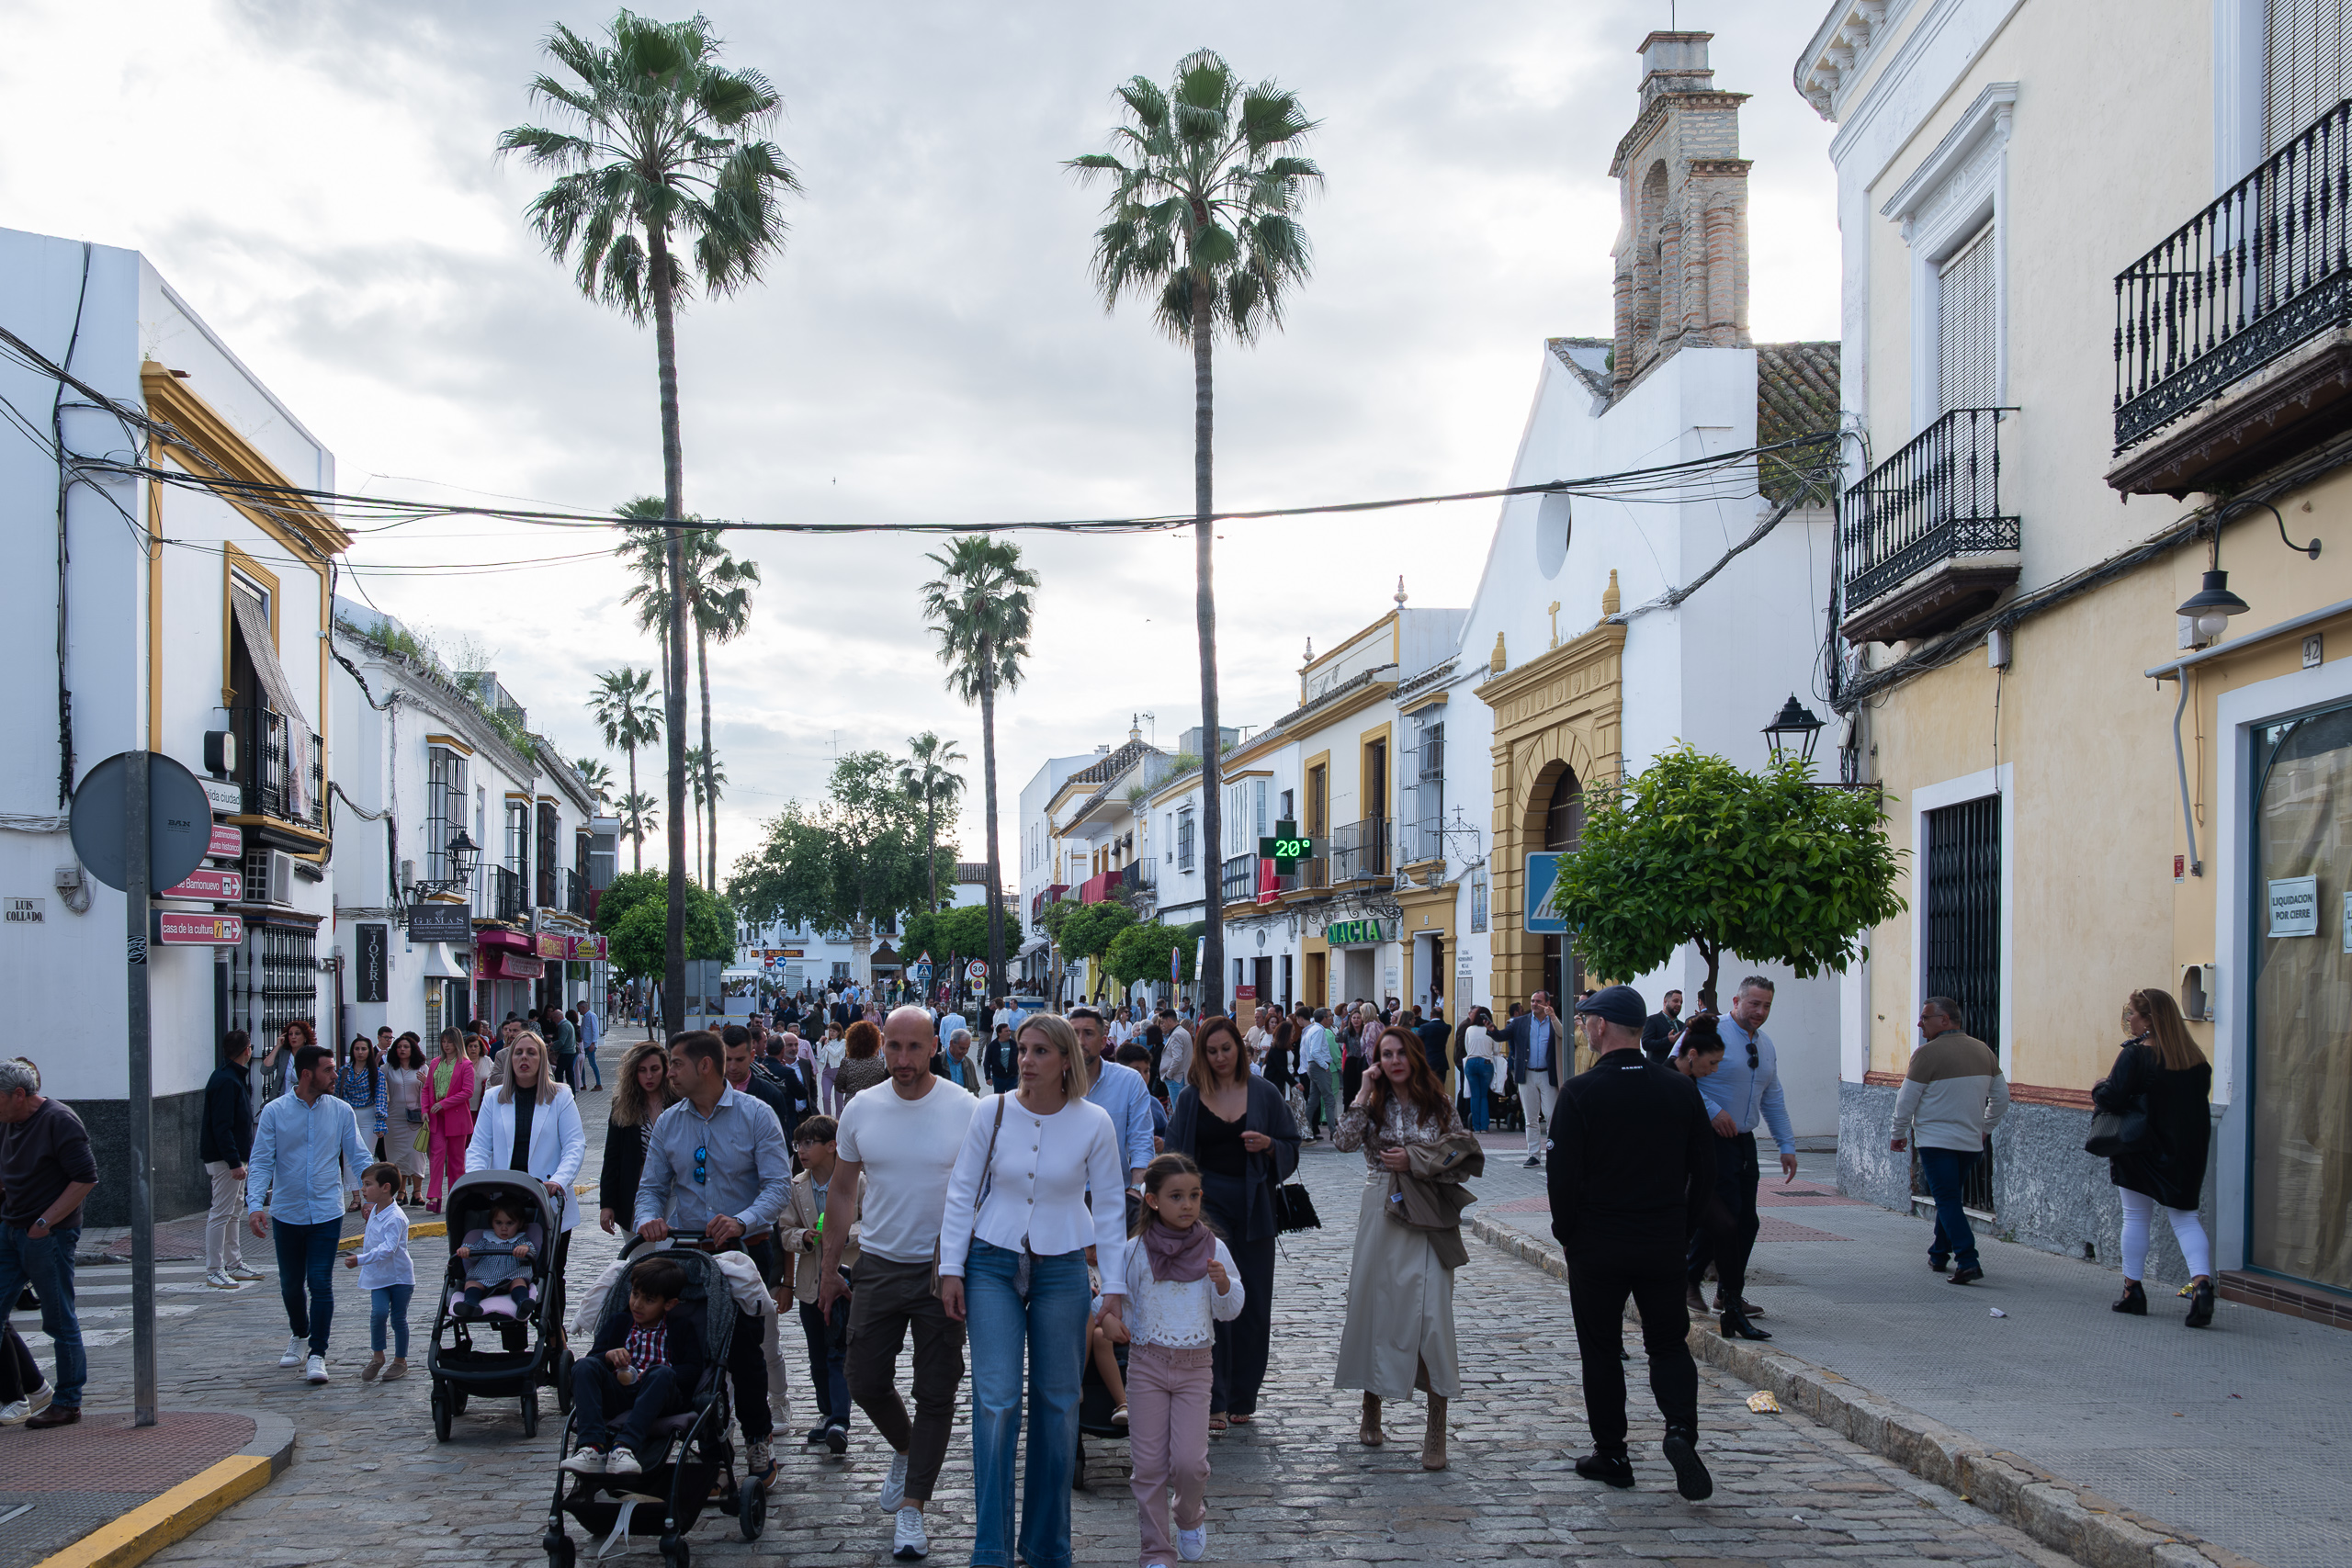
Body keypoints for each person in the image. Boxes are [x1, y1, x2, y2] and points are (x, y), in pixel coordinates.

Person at [940, 1013, 1129, 1568]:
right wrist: (951, 1268)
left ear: (1067, 1059)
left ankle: (1047, 1548)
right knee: (996, 1402)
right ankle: (991, 1549)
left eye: (1041, 1051)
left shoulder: (1094, 1121)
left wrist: (1114, 1286)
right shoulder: (991, 1110)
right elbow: (962, 1190)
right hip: (991, 1261)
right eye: (1023, 1049)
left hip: (1063, 1263)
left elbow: (1111, 1205)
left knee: (1059, 1404)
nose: (1026, 1060)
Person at [819, 1007, 978, 1564]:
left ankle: (913, 1506)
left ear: (934, 1046)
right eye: (894, 1047)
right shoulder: (862, 1108)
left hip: (942, 1268)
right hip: (879, 1262)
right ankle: (907, 1448)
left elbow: (983, 1191)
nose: (904, 1059)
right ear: (880, 1046)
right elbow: (841, 1192)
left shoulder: (965, 1108)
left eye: (914, 1047)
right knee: (863, 1378)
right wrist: (829, 1269)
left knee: (936, 1390)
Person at [1547, 985, 1715, 1500]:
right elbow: (1704, 1171)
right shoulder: (1679, 1089)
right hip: (1662, 1237)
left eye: (1586, 1021)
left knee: (1600, 1349)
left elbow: (1561, 1178)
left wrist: (1568, 1234)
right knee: (1668, 1343)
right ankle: (1680, 1430)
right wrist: (1683, 1230)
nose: (1583, 1028)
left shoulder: (1580, 1092)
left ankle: (1613, 1454)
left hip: (1598, 1240)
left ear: (1601, 1027)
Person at [634, 1029, 792, 1478]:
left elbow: (778, 1186)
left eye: (676, 1063)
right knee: (694, 1353)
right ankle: (710, 1447)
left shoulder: (756, 1115)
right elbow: (651, 1187)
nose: (670, 1072)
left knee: (744, 1353)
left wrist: (741, 1220)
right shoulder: (670, 1122)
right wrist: (649, 1218)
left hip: (744, 1254)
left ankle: (758, 1440)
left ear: (704, 1066)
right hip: (690, 1256)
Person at [1333, 1026, 1476, 1471]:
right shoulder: (1373, 1104)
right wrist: (1363, 1090)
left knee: (1433, 1318)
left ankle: (1436, 1424)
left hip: (1428, 1212)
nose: (1394, 1061)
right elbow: (1343, 1142)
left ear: (1414, 1056)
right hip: (1382, 1206)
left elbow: (1462, 1161)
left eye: (1400, 1053)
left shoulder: (1440, 1104)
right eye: (1385, 1054)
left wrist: (1416, 1160)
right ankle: (1371, 1404)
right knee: (1374, 1308)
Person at [1162, 1014, 1300, 1431]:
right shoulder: (1191, 1098)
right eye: (1212, 1051)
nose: (1220, 1057)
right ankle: (1213, 1397)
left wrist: (1270, 1146)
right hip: (1205, 1209)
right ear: (1201, 1055)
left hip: (1256, 1205)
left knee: (1253, 1299)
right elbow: (1173, 1153)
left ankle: (1243, 1394)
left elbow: (1291, 1145)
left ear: (1239, 1049)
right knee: (1211, 1296)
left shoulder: (1264, 1093)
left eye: (1226, 1048)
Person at [1111, 1153, 1244, 1568]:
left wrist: (1224, 1286)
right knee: (1148, 1467)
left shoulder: (1214, 1248)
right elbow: (1117, 1301)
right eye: (1176, 1196)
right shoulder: (1134, 1251)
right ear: (1152, 1201)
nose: (1187, 1205)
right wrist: (1112, 1320)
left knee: (1190, 1463)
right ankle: (1156, 1550)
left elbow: (1230, 1310)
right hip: (1147, 1365)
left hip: (1195, 1367)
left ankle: (1189, 1516)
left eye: (1194, 1195)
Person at [247, 1043, 371, 1384]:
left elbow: (359, 1155)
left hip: (326, 1212)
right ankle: (299, 1334)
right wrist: (255, 1205)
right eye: (328, 1069)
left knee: (320, 1282)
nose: (334, 1075)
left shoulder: (341, 1111)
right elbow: (261, 1161)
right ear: (306, 1074)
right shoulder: (275, 1112)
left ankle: (318, 1353)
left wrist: (375, 1195)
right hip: (287, 1212)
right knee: (290, 1285)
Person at [2097, 989, 2216, 1325]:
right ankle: (2202, 1285)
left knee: (2135, 1217)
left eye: (2133, 1013)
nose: (2129, 1019)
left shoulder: (2135, 1055)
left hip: (2139, 1146)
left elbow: (2112, 1098)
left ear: (2149, 1019)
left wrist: (2099, 1087)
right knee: (2186, 1218)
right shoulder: (2195, 1058)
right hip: (2186, 1150)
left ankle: (2132, 1292)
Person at [1686, 977, 1797, 1335]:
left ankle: (1725, 1292)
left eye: (1767, 1006)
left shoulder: (1766, 1045)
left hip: (1743, 1140)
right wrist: (1711, 1111)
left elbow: (1772, 1096)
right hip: (1710, 1138)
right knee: (1724, 1216)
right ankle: (1694, 1280)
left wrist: (1786, 1145)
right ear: (1736, 1001)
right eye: (1754, 1004)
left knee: (1747, 1221)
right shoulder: (1709, 1031)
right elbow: (1678, 1075)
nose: (1760, 1012)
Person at [0, 1058, 96, 1427]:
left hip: (47, 1234)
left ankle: (68, 1401)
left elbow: (85, 1178)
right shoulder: (8, 1121)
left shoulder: (59, 1119)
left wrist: (44, 1223)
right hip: (11, 1227)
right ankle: (28, 1391)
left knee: (58, 1319)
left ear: (18, 1095)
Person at [1891, 997, 2009, 1286]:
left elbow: (1906, 1101)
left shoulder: (1925, 1055)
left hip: (1936, 1143)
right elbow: (2002, 1098)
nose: (1919, 1023)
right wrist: (1985, 1128)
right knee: (1951, 1198)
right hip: (1970, 1144)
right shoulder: (1984, 1051)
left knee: (1946, 1199)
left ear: (1945, 1020)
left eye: (1925, 1017)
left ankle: (1967, 1260)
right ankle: (1939, 1253)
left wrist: (1898, 1133)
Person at [561, 1256, 706, 1478]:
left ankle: (624, 1447)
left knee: (661, 1373)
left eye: (649, 1300)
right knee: (584, 1365)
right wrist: (608, 1356)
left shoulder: (680, 1328)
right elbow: (594, 1359)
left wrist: (659, 1374)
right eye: (635, 1294)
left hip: (659, 1395)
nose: (637, 1304)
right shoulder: (619, 1322)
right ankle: (592, 1447)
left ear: (669, 1304)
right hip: (619, 1392)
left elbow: (694, 1368)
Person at [465, 1030, 587, 1286]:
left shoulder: (561, 1096)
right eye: (518, 1053)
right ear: (510, 1059)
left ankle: (553, 1315)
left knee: (552, 1273)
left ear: (542, 1059)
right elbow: (479, 1147)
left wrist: (560, 1180)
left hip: (547, 1195)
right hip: (505, 1199)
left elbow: (574, 1145)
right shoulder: (493, 1097)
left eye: (531, 1053)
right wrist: (476, 1180)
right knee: (503, 1269)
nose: (524, 1058)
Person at [777, 1114, 858, 1454]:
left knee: (838, 1350)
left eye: (809, 1143)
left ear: (832, 1146)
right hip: (810, 1285)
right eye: (798, 1144)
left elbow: (872, 1225)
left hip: (846, 1281)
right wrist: (804, 1237)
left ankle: (840, 1419)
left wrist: (841, 1235)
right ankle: (826, 1413)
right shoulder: (796, 1187)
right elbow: (784, 1231)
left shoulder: (858, 1182)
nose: (801, 1150)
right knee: (817, 1355)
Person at [201, 1030, 262, 1289]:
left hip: (233, 1157)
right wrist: (234, 1162)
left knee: (234, 1212)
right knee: (221, 1212)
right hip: (226, 1160)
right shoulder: (227, 1080)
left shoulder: (229, 1076)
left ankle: (234, 1263)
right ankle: (215, 1269)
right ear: (246, 1050)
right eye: (250, 1047)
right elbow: (222, 1126)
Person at [1069, 1006, 1156, 1186]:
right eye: (1074, 1034)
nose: (1080, 1041)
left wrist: (1136, 1190)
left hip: (1115, 1189)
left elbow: (1141, 1141)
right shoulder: (1051, 1081)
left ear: (1103, 1042)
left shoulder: (1129, 1081)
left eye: (1088, 1034)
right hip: (1062, 1193)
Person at [345, 1161, 414, 1381]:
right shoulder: (375, 1208)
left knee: (398, 1319)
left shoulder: (396, 1217)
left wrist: (360, 1259)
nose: (363, 1189)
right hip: (379, 1276)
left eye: (368, 1184)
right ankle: (378, 1357)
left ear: (385, 1188)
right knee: (378, 1314)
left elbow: (388, 1249)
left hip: (400, 1277)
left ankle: (400, 1361)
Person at [1505, 991, 1565, 1168]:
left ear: (1547, 1003)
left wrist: (1553, 1017)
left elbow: (1562, 1034)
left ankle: (1554, 1152)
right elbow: (1503, 1035)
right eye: (1532, 1001)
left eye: (1538, 1001)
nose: (1534, 1004)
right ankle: (1534, 1155)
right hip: (1528, 1074)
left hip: (1547, 1073)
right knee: (1530, 1118)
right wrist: (1492, 1030)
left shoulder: (1553, 1021)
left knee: (1551, 1115)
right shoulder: (1522, 1021)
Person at [453, 1198, 540, 1318]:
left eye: (510, 1223)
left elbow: (531, 1252)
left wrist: (525, 1249)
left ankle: (522, 1302)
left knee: (519, 1281)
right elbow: (475, 1252)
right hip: (485, 1275)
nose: (504, 1228)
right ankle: (470, 1304)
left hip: (511, 1275)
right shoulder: (486, 1238)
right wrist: (466, 1250)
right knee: (471, 1283)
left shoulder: (521, 1240)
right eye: (499, 1223)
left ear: (520, 1224)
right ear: (491, 1223)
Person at [422, 1028, 476, 1213]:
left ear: (457, 1042)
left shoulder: (466, 1064)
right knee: (436, 1155)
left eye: (450, 1042)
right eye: (443, 1041)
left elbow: (468, 1091)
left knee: (456, 1160)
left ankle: (456, 1197)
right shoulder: (435, 1063)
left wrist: (444, 1104)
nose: (446, 1045)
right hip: (436, 1116)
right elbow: (426, 1088)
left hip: (457, 1116)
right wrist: (425, 1110)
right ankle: (434, 1197)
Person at [723, 1024, 798, 1149]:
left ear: (752, 1056)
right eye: (728, 1059)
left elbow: (782, 1145)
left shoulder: (771, 1094)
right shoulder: (710, 1093)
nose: (733, 1066)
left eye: (739, 1060)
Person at [385, 1035, 429, 1205]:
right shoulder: (388, 1068)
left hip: (416, 1117)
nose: (402, 1049)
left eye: (406, 1047)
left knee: (416, 1154)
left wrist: (426, 1082)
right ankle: (401, 1192)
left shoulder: (422, 1067)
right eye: (399, 1047)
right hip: (393, 1118)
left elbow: (430, 1091)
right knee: (397, 1157)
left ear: (413, 1049)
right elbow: (376, 1081)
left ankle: (417, 1192)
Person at [341, 1037, 389, 1189]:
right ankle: (355, 1194)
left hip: (369, 1115)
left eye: (364, 1049)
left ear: (369, 1051)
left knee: (367, 1155)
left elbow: (381, 1097)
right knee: (348, 1155)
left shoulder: (376, 1073)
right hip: (349, 1114)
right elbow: (337, 1096)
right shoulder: (344, 1071)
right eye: (357, 1049)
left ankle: (367, 1191)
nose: (360, 1052)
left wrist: (380, 1122)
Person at [1302, 1007, 1340, 1142]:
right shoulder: (1318, 1030)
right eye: (1329, 1016)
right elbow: (1315, 1052)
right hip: (1319, 1067)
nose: (1331, 1019)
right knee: (1329, 1099)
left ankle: (1304, 1129)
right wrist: (1325, 1066)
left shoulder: (1313, 1029)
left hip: (1314, 1066)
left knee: (1313, 1100)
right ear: (1323, 1018)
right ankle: (1333, 1131)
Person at [1456, 1008, 1497, 1133]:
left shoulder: (1469, 1029)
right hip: (1486, 1063)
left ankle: (1476, 1126)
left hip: (1471, 1062)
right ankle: (1484, 1126)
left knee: (1474, 1095)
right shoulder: (1491, 1029)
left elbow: (1467, 1048)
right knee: (1483, 1095)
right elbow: (1496, 1050)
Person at [834, 1019, 889, 1104]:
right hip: (874, 1103)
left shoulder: (847, 1062)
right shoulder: (879, 1062)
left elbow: (839, 1086)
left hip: (853, 1104)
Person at [1157, 1007, 1193, 1088]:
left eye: (1163, 1022)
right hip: (1182, 1077)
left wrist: (1168, 1075)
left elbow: (1177, 1058)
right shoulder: (1183, 1031)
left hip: (1176, 1079)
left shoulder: (1177, 1034)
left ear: (1169, 1020)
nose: (1163, 1025)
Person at [577, 998, 604, 1090]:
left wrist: (593, 1043)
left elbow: (595, 1030)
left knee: (593, 1064)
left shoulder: (592, 1016)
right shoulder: (585, 1017)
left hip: (590, 1044)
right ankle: (583, 1084)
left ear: (584, 1007)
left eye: (579, 1009)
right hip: (584, 1044)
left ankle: (598, 1084)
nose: (579, 1011)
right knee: (582, 1065)